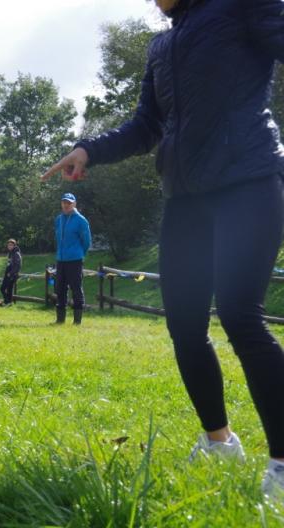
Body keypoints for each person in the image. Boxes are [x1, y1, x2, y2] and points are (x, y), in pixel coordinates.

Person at [41, 0, 284, 499]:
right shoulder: (162, 45)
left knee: (240, 316)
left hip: (249, 181)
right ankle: (219, 442)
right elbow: (146, 125)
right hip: (185, 199)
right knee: (185, 326)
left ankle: (282, 464)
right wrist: (89, 149)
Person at [51, 193, 91, 325]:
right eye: (64, 202)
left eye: (69, 203)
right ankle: (60, 320)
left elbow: (86, 241)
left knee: (76, 288)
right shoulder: (58, 219)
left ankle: (77, 321)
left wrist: (79, 253)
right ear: (61, 204)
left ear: (74, 204)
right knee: (60, 288)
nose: (66, 205)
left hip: (75, 260)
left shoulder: (81, 220)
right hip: (61, 259)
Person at [0, 238, 22, 306]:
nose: (9, 246)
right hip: (8, 273)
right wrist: (6, 272)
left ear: (14, 245)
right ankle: (8, 302)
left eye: (11, 245)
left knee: (4, 288)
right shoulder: (10, 253)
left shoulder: (16, 253)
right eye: (8, 245)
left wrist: (11, 273)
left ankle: (7, 301)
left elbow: (18, 266)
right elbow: (9, 264)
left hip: (12, 274)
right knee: (7, 289)